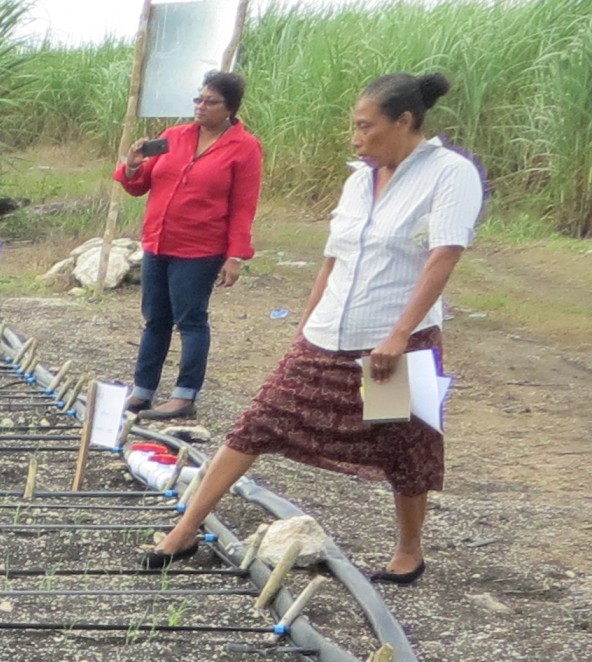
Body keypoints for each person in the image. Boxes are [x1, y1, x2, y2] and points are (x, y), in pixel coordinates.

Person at [143, 71, 481, 589]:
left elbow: (444, 256)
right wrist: (305, 327)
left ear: (405, 122)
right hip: (325, 335)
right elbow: (332, 261)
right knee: (255, 425)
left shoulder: (449, 173)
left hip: (394, 338)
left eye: (366, 127)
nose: (356, 138)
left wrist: (397, 336)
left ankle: (409, 552)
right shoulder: (356, 180)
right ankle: (184, 531)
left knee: (405, 443)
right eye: (355, 126)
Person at [112, 69, 262, 417]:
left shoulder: (245, 147)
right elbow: (139, 185)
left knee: (191, 320)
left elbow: (244, 206)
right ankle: (142, 391)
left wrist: (236, 255)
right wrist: (132, 167)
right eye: (198, 98)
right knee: (155, 320)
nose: (200, 106)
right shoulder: (174, 136)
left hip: (199, 249)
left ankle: (184, 396)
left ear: (230, 107)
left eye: (211, 101)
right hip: (158, 241)